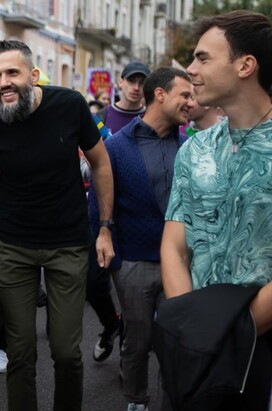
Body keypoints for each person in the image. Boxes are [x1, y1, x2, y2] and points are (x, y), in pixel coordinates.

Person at [0, 40, 114, 411]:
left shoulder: (70, 104)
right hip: (14, 248)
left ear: (33, 75)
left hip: (68, 244)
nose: (3, 82)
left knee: (65, 351)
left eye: (12, 72)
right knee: (20, 352)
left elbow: (101, 164)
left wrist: (106, 227)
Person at [160, 10, 272, 409]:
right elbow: (174, 244)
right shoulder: (196, 147)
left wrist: (235, 329)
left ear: (245, 65)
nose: (190, 69)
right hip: (197, 343)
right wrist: (189, 325)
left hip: (260, 341)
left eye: (203, 58)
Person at [89, 67, 193, 411]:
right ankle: (136, 399)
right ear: (160, 95)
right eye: (185, 95)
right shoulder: (117, 148)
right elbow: (98, 207)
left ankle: (170, 400)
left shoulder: (190, 145)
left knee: (176, 340)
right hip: (133, 261)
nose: (191, 102)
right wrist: (115, 259)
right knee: (137, 341)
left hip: (179, 262)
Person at [97, 62, 150, 134]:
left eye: (142, 82)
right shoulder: (100, 118)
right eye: (131, 81)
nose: (136, 88)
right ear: (120, 82)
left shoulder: (151, 118)